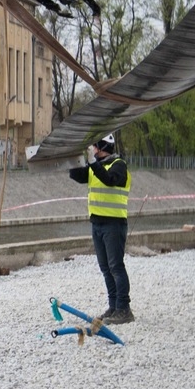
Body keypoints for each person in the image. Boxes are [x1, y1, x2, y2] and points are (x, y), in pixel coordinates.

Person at [69, 133, 133, 323]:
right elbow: (77, 175)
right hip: (97, 223)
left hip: (114, 224)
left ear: (102, 147)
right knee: (106, 268)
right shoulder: (95, 166)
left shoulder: (119, 165)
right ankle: (113, 306)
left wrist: (92, 162)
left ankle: (124, 309)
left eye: (95, 147)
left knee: (116, 267)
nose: (93, 150)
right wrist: (74, 158)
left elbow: (109, 179)